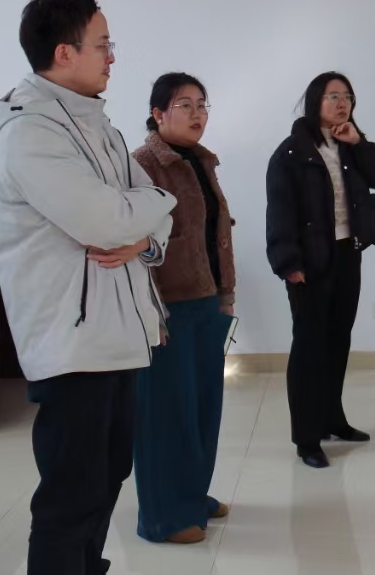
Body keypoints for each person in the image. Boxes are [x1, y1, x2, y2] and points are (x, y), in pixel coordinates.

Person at [0, 0, 175, 575]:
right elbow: (109, 219)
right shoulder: (31, 132)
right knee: (71, 494)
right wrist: (151, 206)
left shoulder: (100, 125)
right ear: (64, 53)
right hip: (72, 344)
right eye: (103, 44)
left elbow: (148, 213)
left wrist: (145, 231)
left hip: (116, 335)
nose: (112, 56)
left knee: (108, 473)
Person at [266, 73, 375, 468]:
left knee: (338, 339)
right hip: (309, 261)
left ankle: (331, 419)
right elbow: (280, 211)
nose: (342, 103)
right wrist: (288, 264)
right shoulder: (291, 152)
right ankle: (307, 439)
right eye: (332, 96)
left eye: (347, 96)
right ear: (315, 102)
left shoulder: (351, 145)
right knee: (309, 346)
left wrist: (360, 142)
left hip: (347, 253)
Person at [132, 73, 237, 544]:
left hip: (206, 299)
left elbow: (216, 235)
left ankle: (192, 494)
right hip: (167, 308)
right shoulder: (143, 164)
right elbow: (137, 243)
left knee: (202, 408)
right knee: (165, 414)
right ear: (158, 114)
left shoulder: (201, 161)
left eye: (202, 105)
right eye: (185, 105)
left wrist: (225, 293)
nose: (197, 114)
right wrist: (150, 312)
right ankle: (163, 516)